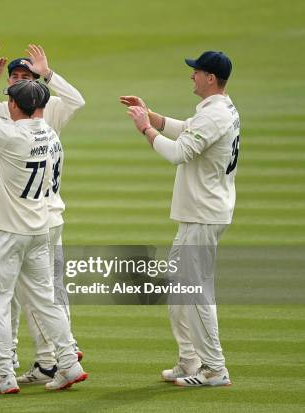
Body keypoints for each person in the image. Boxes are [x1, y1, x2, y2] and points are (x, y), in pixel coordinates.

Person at [0, 60, 88, 393]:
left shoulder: (12, 135)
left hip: (9, 232)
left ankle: (3, 374)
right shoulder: (52, 137)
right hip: (39, 229)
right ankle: (69, 364)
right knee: (46, 300)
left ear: (15, 105)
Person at [121, 50, 239, 387]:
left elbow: (178, 152)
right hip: (199, 213)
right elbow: (187, 128)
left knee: (195, 291)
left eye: (197, 72)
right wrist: (151, 115)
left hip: (203, 214)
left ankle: (215, 369)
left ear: (211, 78)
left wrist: (146, 130)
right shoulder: (217, 110)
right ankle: (190, 360)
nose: (192, 76)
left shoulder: (215, 116)